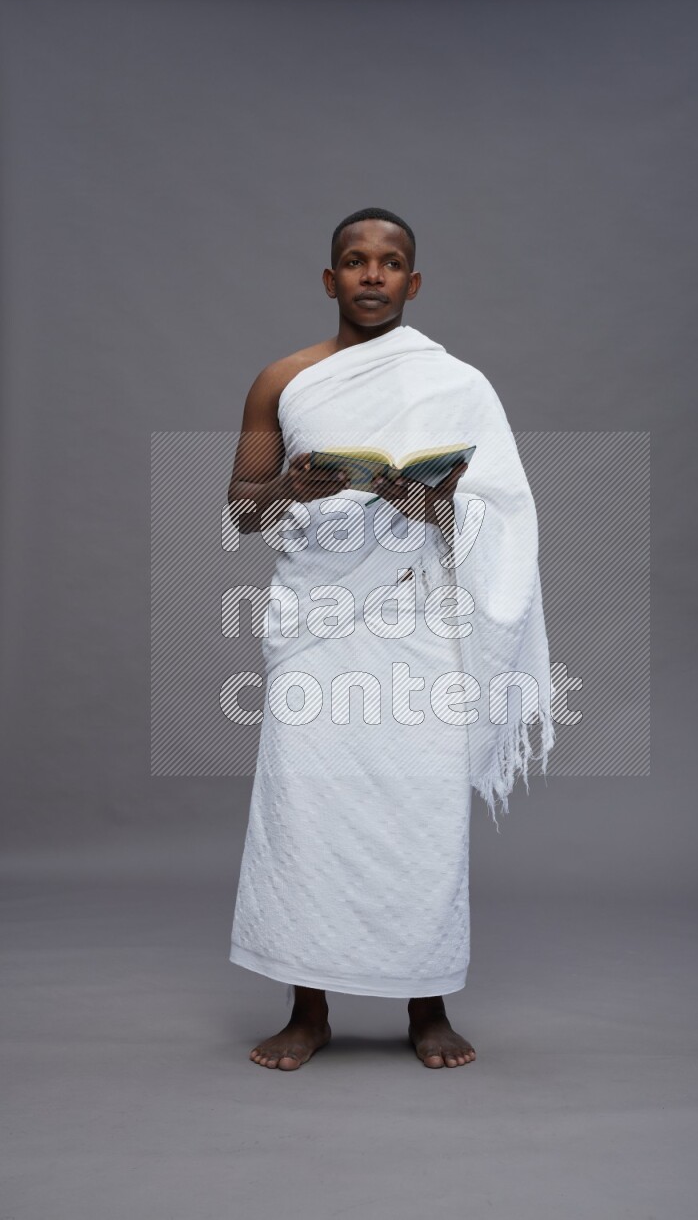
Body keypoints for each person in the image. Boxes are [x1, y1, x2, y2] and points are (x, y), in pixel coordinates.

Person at [227, 207, 553, 1070]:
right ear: (330, 280)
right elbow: (240, 510)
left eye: (392, 261)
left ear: (414, 282)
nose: (373, 274)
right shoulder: (282, 382)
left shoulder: (460, 385)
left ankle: (426, 1002)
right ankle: (308, 1007)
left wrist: (435, 504)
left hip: (419, 627)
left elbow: (503, 513)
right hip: (318, 627)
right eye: (354, 261)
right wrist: (291, 487)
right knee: (307, 808)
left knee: (421, 807)